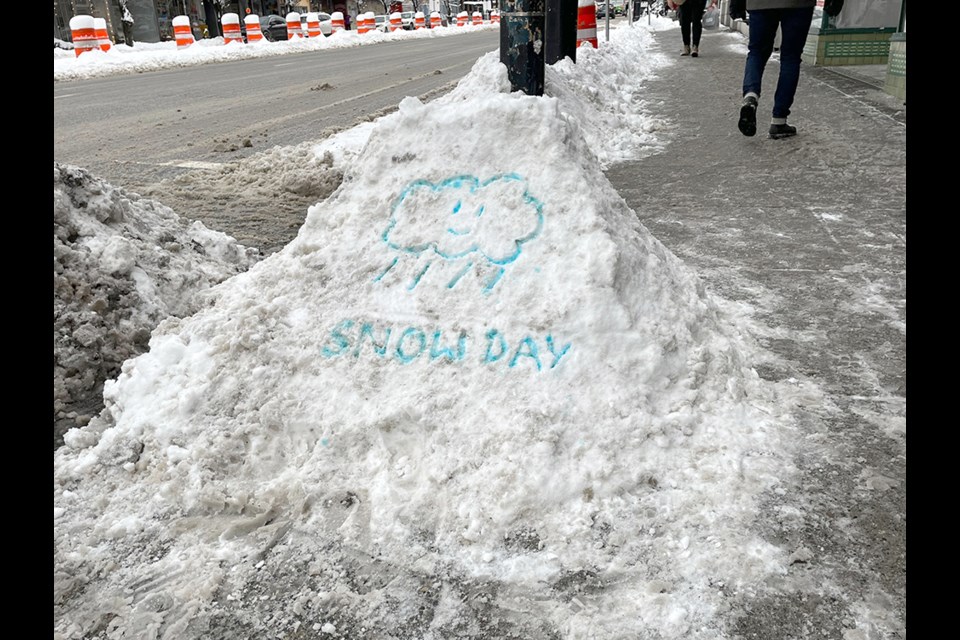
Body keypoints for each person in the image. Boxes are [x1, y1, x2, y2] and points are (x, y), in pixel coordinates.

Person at [731, 0, 843, 139]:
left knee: (757, 52)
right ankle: (779, 120)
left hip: (759, 3)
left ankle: (750, 96)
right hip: (798, 4)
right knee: (791, 57)